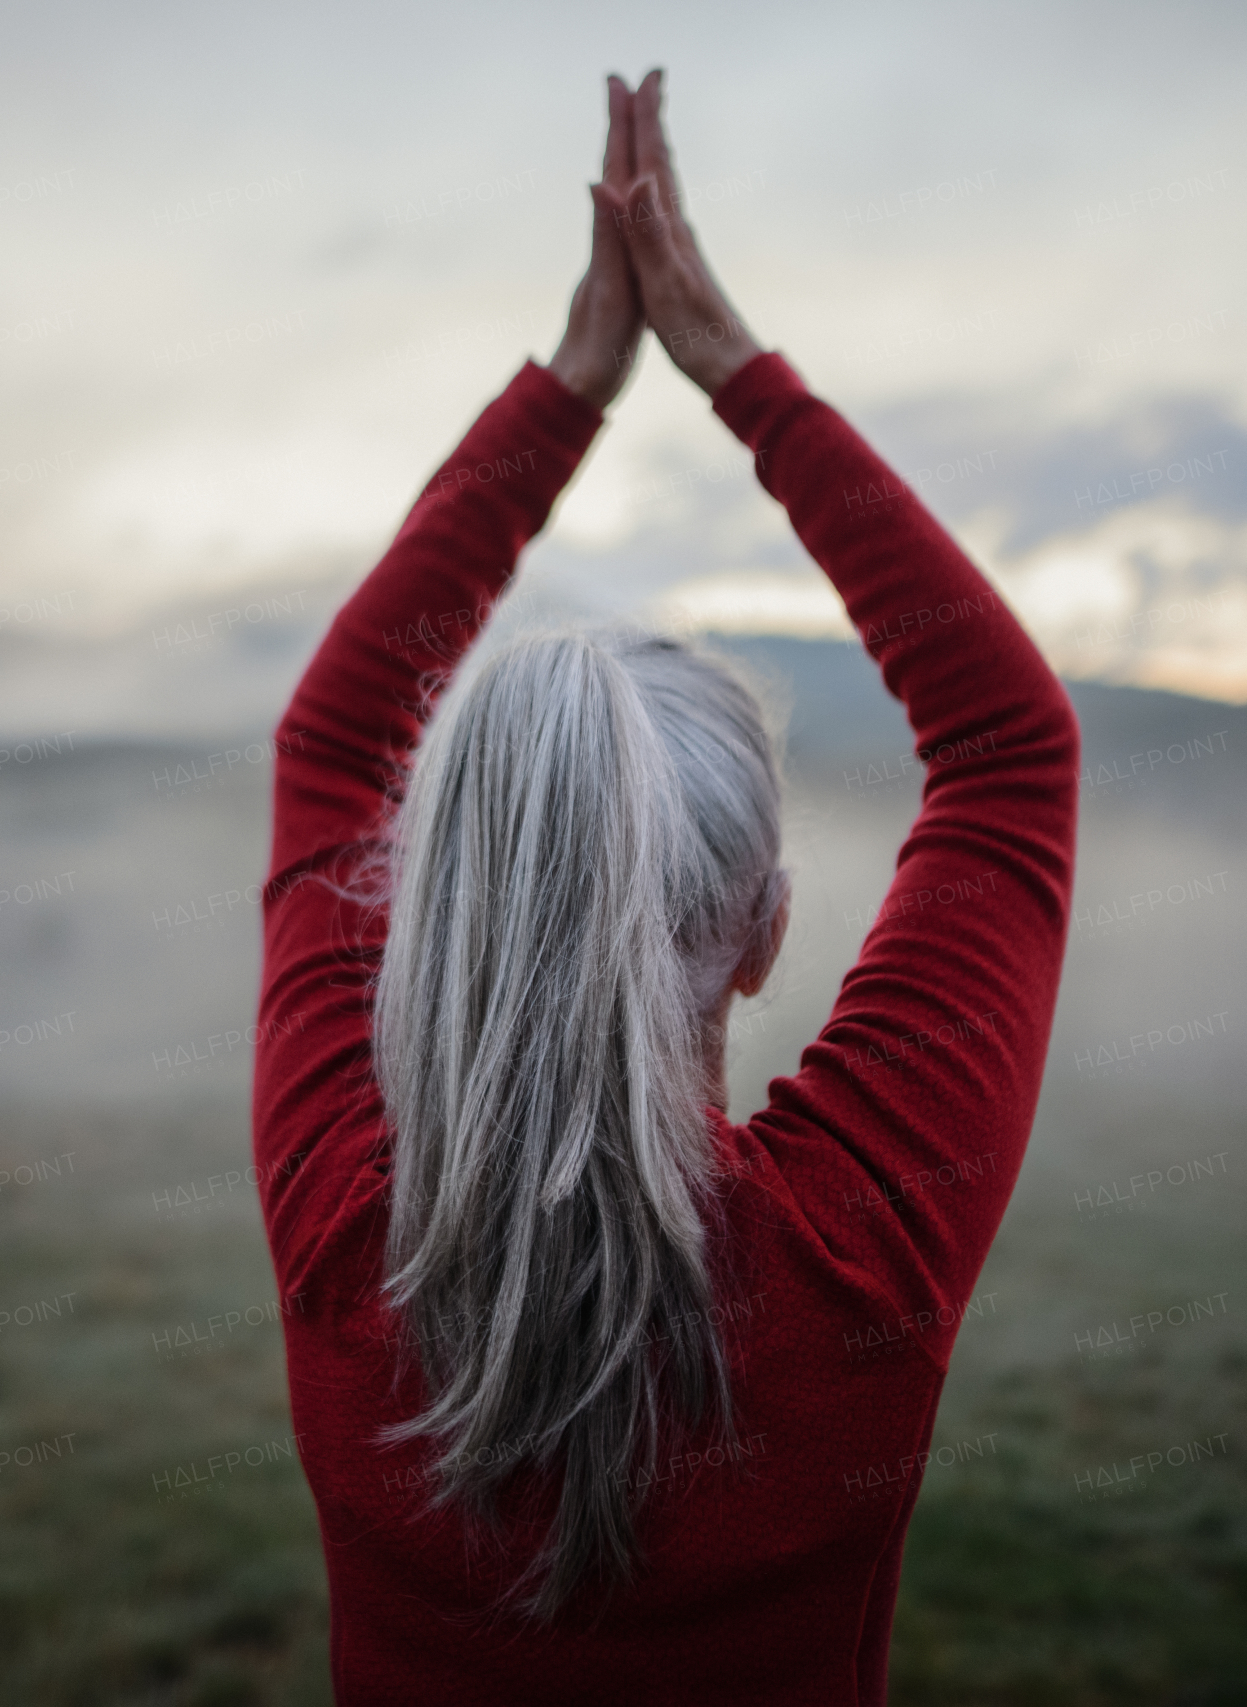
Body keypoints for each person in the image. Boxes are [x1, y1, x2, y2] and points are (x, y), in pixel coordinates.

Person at [252, 68, 1080, 1707]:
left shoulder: (349, 1233)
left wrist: (578, 378)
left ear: (441, 918)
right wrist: (728, 360)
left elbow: (330, 748)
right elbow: (1009, 752)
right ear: (765, 935)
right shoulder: (856, 1258)